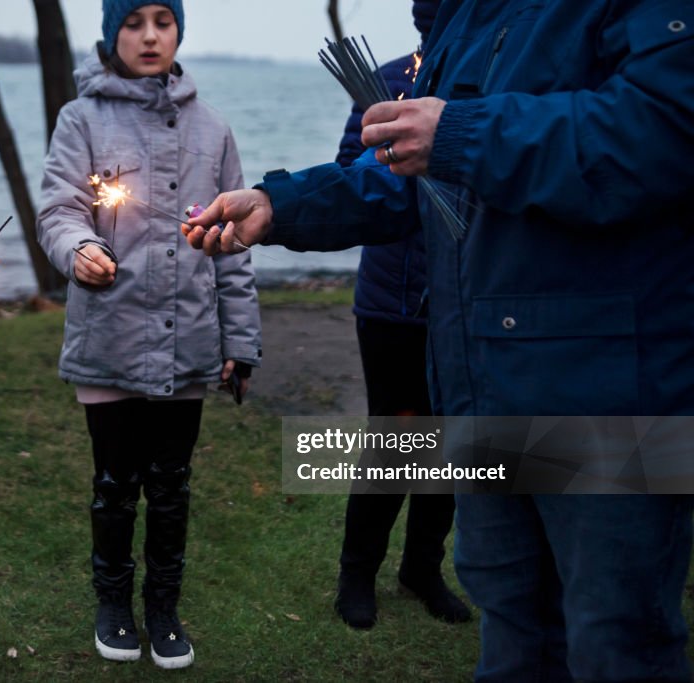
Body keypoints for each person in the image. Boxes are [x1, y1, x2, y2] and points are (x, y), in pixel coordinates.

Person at [184, 1, 694, 680]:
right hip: (481, 387)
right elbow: (421, 179)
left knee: (615, 645)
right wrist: (284, 205)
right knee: (513, 636)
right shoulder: (465, 14)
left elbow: (663, 129)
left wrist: (459, 132)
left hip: (612, 394)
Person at [37, 0, 262, 669]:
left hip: (187, 340)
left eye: (162, 21)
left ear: (179, 32)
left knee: (172, 481)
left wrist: (239, 343)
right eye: (133, 22)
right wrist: (76, 247)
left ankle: (163, 605)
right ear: (111, 35)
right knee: (115, 481)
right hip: (108, 339)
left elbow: (234, 250)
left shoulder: (213, 129)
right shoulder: (81, 119)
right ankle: (114, 601)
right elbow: (59, 206)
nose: (149, 35)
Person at [332, 0, 470, 631]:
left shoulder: (481, 84)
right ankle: (356, 574)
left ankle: (422, 568)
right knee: (397, 439)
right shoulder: (388, 81)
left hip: (462, 296)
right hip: (391, 298)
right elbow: (345, 180)